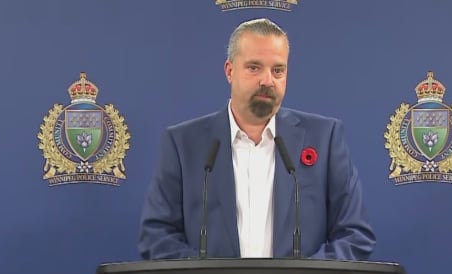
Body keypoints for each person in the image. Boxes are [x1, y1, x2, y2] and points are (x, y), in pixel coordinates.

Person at [138, 18, 375, 260]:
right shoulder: (183, 144)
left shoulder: (324, 138)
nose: (267, 80)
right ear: (230, 71)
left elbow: (354, 234)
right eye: (254, 67)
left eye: (278, 70)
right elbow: (156, 236)